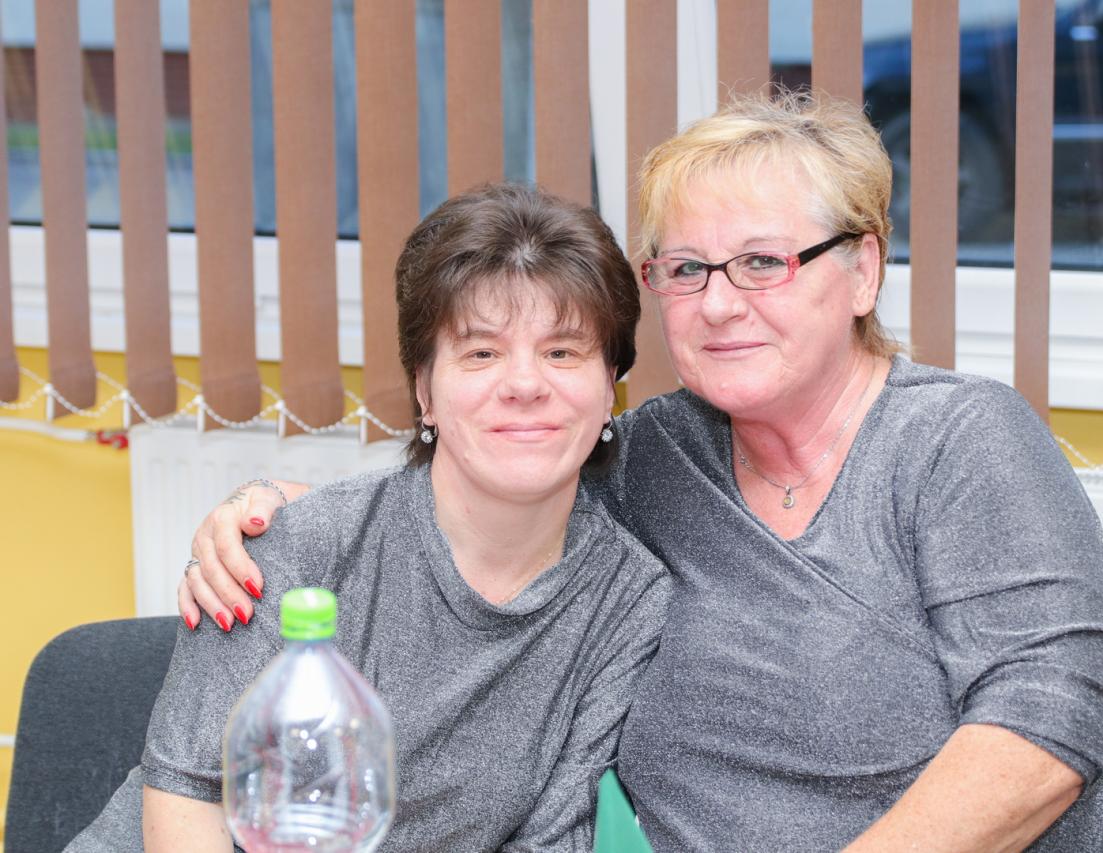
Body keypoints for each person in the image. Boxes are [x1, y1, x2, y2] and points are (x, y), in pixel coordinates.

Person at [177, 92, 1103, 851]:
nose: (718, 304)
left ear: (863, 271)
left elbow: (1044, 724)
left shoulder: (961, 440)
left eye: (763, 262)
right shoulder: (654, 458)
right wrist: (277, 514)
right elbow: (491, 478)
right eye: (685, 269)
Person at [69, 184, 671, 852]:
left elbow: (551, 839)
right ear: (424, 391)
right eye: (481, 352)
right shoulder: (299, 543)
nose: (526, 384)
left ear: (609, 386)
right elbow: (186, 793)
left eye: (563, 352)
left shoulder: (628, 599)